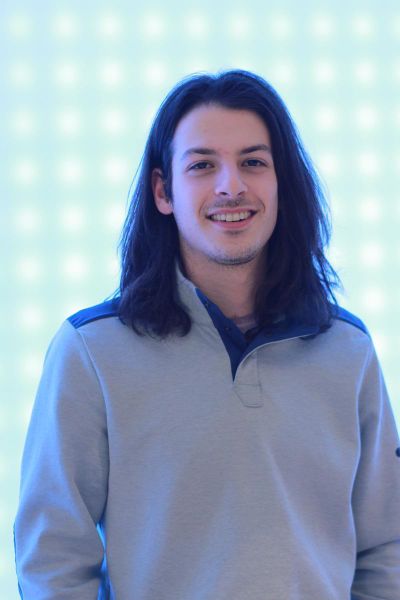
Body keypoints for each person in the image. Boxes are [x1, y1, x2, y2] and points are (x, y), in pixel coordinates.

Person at [14, 69, 400, 599]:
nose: (230, 186)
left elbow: (386, 547)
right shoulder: (91, 351)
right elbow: (53, 558)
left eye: (253, 162)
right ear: (163, 191)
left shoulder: (347, 351)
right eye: (202, 165)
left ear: (281, 184)